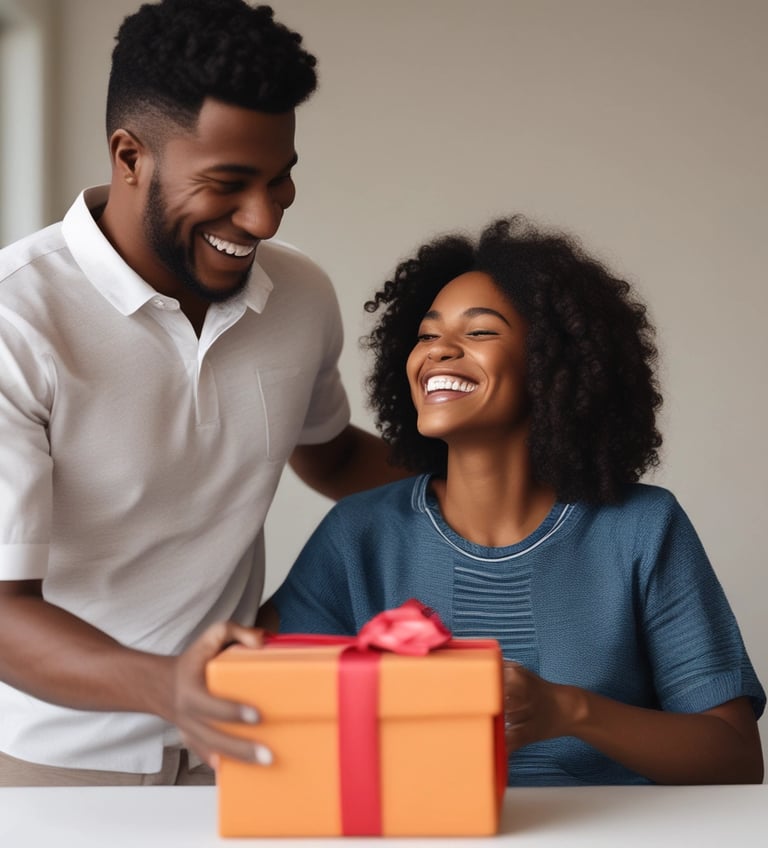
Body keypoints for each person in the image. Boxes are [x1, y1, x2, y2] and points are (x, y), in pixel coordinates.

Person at [0, 0, 401, 786]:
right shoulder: (16, 320)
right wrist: (169, 689)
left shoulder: (301, 295)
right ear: (129, 156)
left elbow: (331, 455)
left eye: (281, 181)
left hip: (242, 750)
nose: (260, 218)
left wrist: (521, 478)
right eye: (228, 184)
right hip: (53, 766)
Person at [263, 215, 766, 785]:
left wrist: (569, 711)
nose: (439, 352)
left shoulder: (643, 529)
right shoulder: (358, 534)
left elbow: (736, 760)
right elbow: (261, 702)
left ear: (553, 364)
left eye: (478, 332)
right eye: (427, 335)